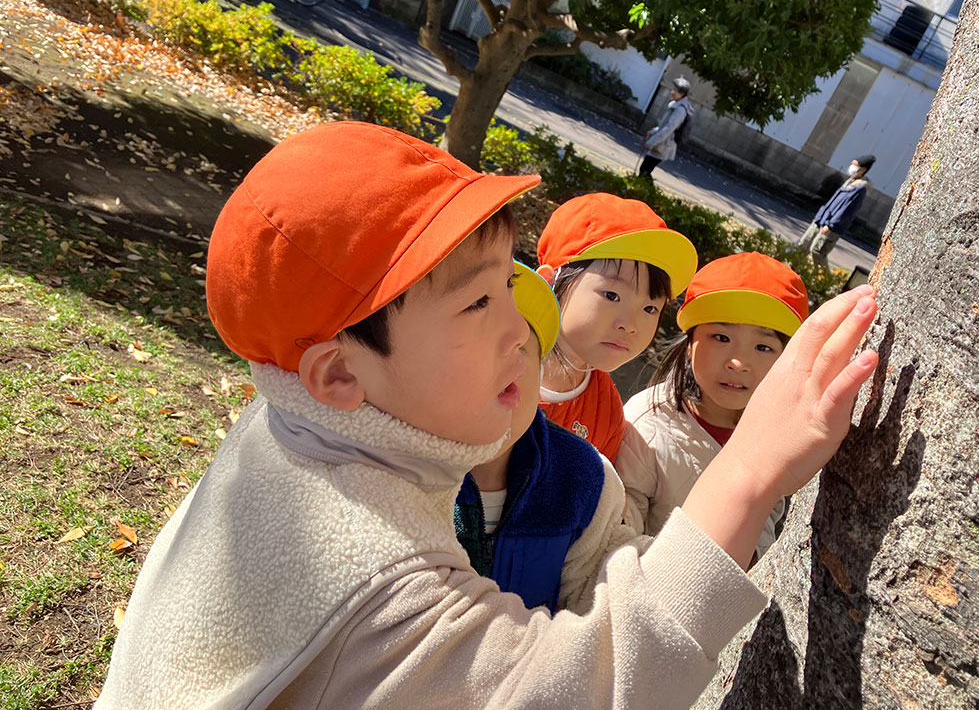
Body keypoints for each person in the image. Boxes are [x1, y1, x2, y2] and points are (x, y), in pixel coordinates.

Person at [94, 121, 880, 709]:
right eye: (477, 303)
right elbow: (589, 687)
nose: (521, 329)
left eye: (508, 285)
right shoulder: (374, 582)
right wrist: (749, 469)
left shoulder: (287, 433)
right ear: (338, 373)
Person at [456, 262, 636, 613]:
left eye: (521, 347)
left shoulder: (583, 480)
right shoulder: (390, 471)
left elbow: (602, 586)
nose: (503, 361)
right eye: (473, 343)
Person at [620, 254, 809, 561]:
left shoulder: (774, 434)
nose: (738, 362)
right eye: (721, 337)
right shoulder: (645, 425)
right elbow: (618, 539)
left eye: (763, 347)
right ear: (689, 342)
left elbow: (765, 528)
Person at [535, 192, 698, 464]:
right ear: (549, 282)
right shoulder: (493, 359)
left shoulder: (607, 413)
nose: (630, 325)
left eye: (650, 309)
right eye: (612, 296)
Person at [798, 154, 876, 268]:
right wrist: (820, 216)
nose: (851, 167)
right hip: (821, 219)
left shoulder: (859, 188)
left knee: (817, 252)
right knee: (803, 245)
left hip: (831, 226)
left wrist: (831, 225)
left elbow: (847, 211)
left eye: (855, 165)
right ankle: (791, 269)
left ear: (863, 169)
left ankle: (823, 277)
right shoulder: (849, 181)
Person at [639, 77, 693, 178]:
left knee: (645, 170)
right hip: (661, 143)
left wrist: (652, 142)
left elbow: (669, 129)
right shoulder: (675, 106)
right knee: (645, 170)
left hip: (664, 145)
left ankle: (644, 187)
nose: (672, 92)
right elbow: (663, 126)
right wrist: (653, 132)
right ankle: (642, 187)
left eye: (675, 90)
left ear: (682, 94)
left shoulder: (680, 110)